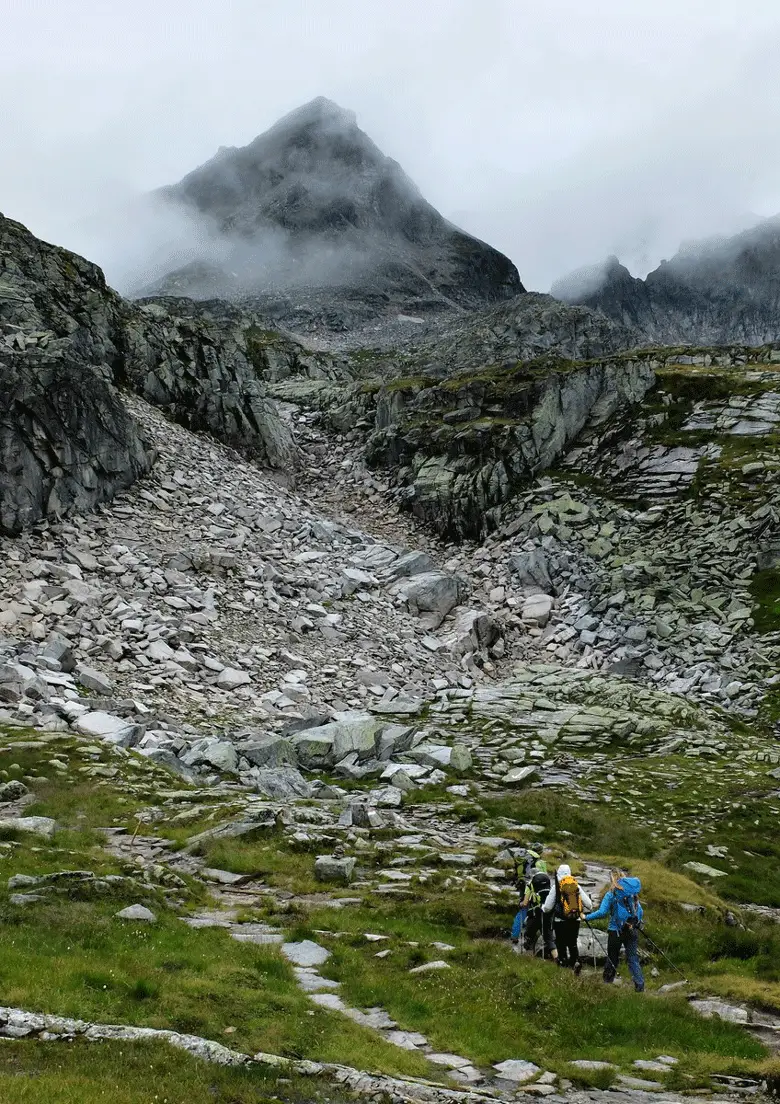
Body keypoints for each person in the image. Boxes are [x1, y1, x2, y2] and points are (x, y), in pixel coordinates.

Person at [584, 870, 645, 992]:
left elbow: (602, 912)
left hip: (615, 931)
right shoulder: (633, 894)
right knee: (633, 958)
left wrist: (586, 917)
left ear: (613, 880)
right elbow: (640, 912)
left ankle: (607, 982)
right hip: (632, 930)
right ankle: (640, 985)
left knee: (612, 957)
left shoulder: (611, 894)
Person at [542, 863, 592, 974]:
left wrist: (543, 907)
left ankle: (563, 966)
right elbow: (589, 904)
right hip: (575, 920)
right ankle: (575, 963)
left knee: (561, 944)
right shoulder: (576, 885)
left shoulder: (556, 886)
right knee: (572, 943)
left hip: (560, 921)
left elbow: (547, 908)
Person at [521, 859, 556, 959]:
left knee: (529, 934)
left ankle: (529, 957)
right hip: (547, 911)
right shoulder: (547, 881)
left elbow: (525, 902)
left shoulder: (530, 884)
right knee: (548, 938)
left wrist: (521, 904)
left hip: (536, 913)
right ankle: (556, 959)